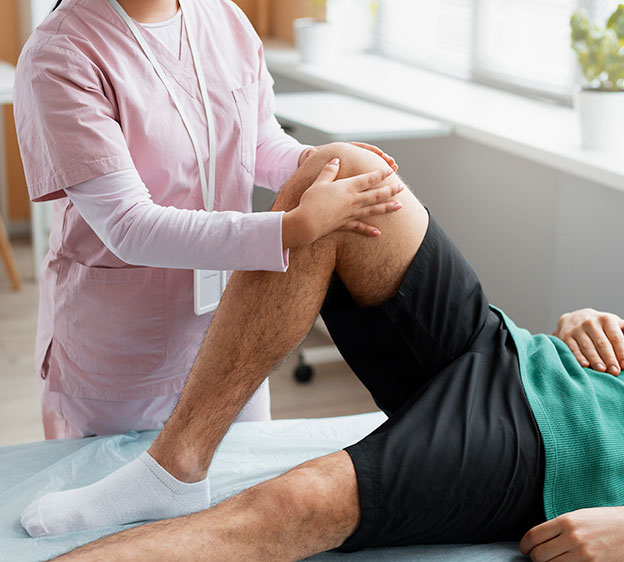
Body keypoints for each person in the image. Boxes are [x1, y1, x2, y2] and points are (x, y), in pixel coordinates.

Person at [22, 143, 624, 562]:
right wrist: (593, 317)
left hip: (565, 447)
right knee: (342, 175)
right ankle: (175, 465)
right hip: (534, 359)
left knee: (294, 502)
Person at [13, 0, 400, 440]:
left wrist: (316, 164)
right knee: (129, 505)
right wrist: (296, 228)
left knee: (240, 497)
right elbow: (127, 225)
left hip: (232, 334)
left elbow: (255, 141)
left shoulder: (223, 18)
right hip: (121, 359)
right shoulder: (63, 52)